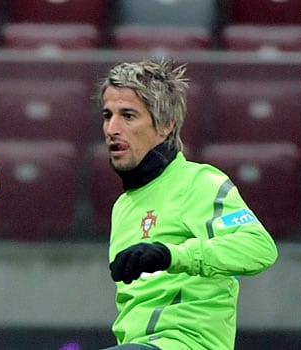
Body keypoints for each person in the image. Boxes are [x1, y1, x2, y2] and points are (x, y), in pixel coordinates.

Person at [95, 58, 278, 350]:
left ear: (166, 125)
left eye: (128, 116)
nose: (111, 128)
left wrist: (172, 255)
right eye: (108, 115)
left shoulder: (200, 183)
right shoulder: (123, 206)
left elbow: (259, 247)